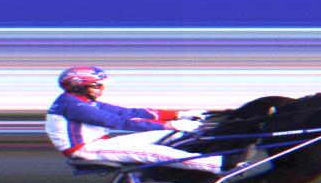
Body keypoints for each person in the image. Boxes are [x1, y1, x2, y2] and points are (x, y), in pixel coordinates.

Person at [43, 66, 220, 173]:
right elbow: (119, 122)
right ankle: (220, 165)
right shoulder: (72, 105)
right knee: (157, 153)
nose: (102, 89)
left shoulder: (81, 101)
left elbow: (128, 112)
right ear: (78, 86)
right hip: (86, 149)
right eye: (97, 85)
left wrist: (180, 115)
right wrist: (170, 124)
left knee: (175, 134)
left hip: (100, 143)